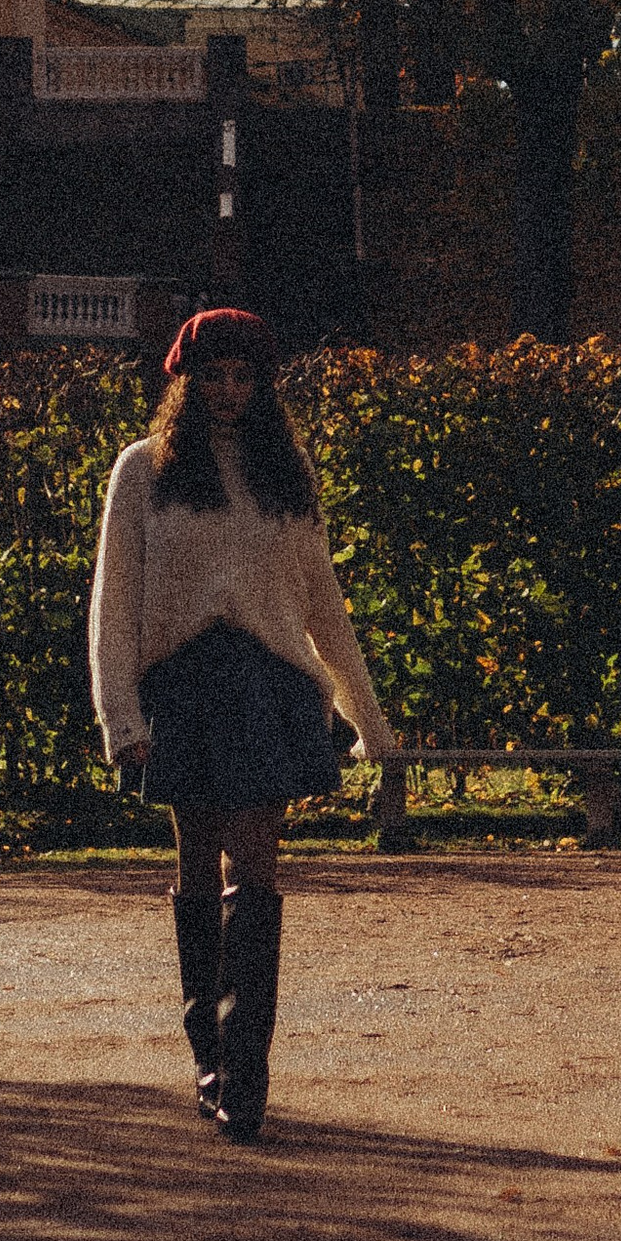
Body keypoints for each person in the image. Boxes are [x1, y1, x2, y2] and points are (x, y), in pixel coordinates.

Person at [87, 305, 393, 1142]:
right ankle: (209, 1055)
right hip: (181, 684)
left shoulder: (285, 474)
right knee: (195, 862)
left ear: (263, 388)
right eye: (212, 376)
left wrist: (370, 719)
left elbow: (322, 602)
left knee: (254, 862)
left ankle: (247, 1076)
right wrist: (121, 716)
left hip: (270, 686)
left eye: (243, 377)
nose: (227, 391)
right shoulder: (142, 471)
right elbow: (113, 604)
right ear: (184, 382)